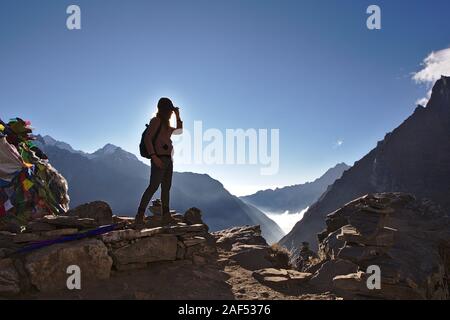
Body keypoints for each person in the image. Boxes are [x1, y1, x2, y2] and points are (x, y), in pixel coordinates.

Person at [136, 97, 183, 225]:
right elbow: (148, 139)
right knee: (153, 186)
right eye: (169, 110)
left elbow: (179, 131)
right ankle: (139, 215)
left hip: (168, 159)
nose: (170, 112)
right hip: (159, 158)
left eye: (171, 111)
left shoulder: (167, 125)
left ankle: (166, 215)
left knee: (166, 188)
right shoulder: (156, 121)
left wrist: (178, 115)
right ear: (162, 110)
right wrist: (154, 157)